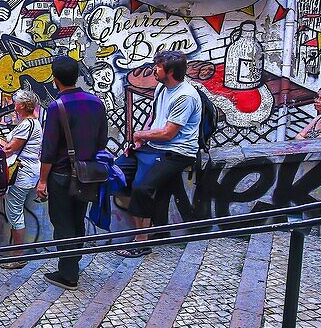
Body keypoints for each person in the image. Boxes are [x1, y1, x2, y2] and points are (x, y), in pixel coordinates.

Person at [118, 50, 200, 258]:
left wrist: (140, 134)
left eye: (158, 66)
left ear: (170, 71)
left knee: (142, 187)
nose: (154, 69)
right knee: (116, 171)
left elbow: (168, 133)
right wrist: (139, 140)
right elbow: (154, 120)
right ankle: (148, 222)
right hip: (153, 147)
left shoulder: (186, 96)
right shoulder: (162, 89)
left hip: (177, 151)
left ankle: (141, 240)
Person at [36, 56, 108, 290]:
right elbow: (102, 140)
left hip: (61, 175)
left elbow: (49, 149)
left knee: (62, 222)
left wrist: (42, 180)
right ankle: (72, 263)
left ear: (55, 79)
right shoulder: (96, 102)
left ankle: (68, 274)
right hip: (88, 174)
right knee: (77, 218)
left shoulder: (57, 107)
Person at [1, 89, 43, 268]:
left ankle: (18, 255)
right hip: (29, 171)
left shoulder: (27, 124)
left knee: (15, 213)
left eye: (16, 101)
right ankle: (16, 253)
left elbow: (11, 148)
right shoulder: (34, 122)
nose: (13, 103)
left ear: (23, 105)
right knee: (16, 212)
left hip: (21, 173)